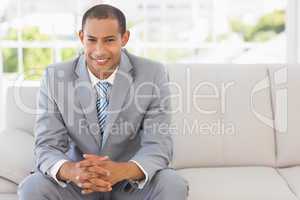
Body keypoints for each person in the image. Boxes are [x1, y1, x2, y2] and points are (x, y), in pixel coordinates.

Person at [18, 4, 188, 200]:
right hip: (78, 185)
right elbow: (47, 145)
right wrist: (72, 171)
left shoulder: (153, 73)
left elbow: (159, 145)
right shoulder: (55, 77)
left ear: (124, 38)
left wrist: (122, 171)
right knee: (32, 187)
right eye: (91, 40)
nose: (99, 51)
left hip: (130, 185)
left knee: (172, 183)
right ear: (81, 37)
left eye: (109, 40)